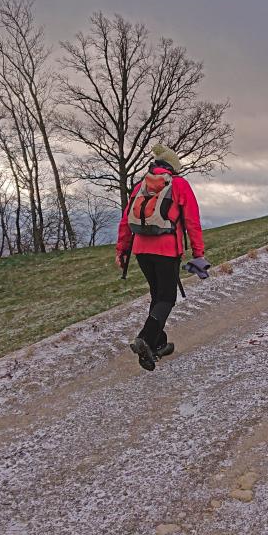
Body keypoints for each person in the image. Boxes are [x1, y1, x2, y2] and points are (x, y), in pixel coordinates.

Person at [116, 143, 210, 371]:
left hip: (141, 250)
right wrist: (198, 254)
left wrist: (122, 250)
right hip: (166, 249)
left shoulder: (141, 186)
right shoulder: (179, 185)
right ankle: (145, 339)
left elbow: (126, 220)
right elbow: (192, 222)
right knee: (167, 298)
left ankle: (158, 343)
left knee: (157, 296)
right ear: (173, 168)